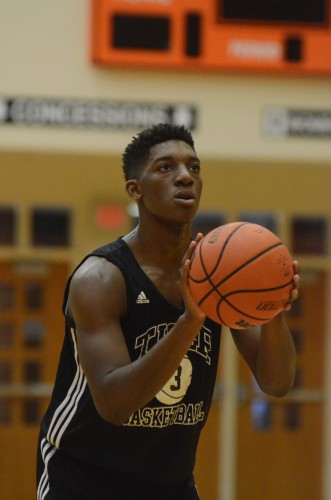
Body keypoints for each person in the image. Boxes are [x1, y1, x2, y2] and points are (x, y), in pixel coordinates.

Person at [36, 123, 299, 500]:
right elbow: (115, 404)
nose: (185, 177)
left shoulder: (218, 270)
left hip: (169, 482)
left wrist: (273, 307)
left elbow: (276, 383)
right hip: (81, 477)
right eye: (166, 167)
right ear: (135, 189)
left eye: (194, 167)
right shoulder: (101, 279)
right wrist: (190, 322)